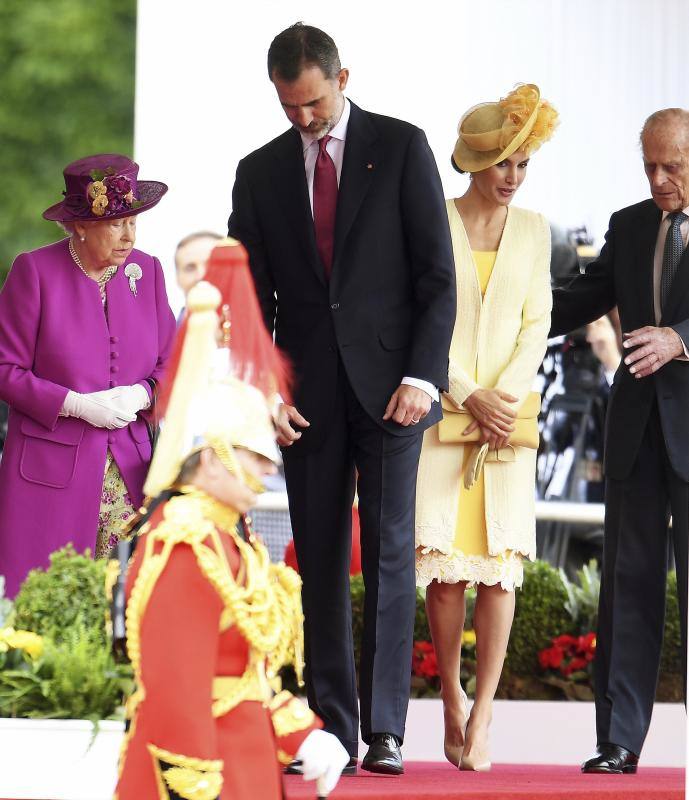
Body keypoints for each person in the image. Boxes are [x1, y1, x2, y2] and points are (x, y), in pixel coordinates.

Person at [227, 23, 456, 774]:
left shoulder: (400, 146)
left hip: (396, 391)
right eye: (289, 106)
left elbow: (434, 277)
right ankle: (331, 728)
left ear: (343, 77)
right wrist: (263, 382)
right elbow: (247, 295)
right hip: (307, 396)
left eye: (315, 102)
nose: (304, 119)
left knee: (388, 555)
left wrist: (423, 377)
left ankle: (386, 731)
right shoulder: (257, 171)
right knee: (317, 558)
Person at [115, 245, 349, 799]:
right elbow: (175, 686)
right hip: (204, 777)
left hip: (246, 769)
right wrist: (193, 786)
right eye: (253, 456)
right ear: (207, 452)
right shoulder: (185, 539)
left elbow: (246, 675)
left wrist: (303, 734)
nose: (266, 470)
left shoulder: (227, 537)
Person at [415, 84, 558, 771]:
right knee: (444, 576)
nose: (512, 177)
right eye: (502, 163)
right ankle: (448, 699)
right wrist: (466, 393)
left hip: (507, 422)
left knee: (499, 574)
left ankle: (484, 717)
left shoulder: (534, 230)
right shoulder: (430, 219)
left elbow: (538, 324)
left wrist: (501, 400)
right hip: (445, 412)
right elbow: (420, 320)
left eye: (522, 163)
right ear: (473, 163)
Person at [550, 107, 689, 774]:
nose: (659, 179)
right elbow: (580, 297)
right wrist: (504, 312)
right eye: (650, 167)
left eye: (673, 167)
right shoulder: (630, 225)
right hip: (635, 432)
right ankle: (617, 742)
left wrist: (680, 337)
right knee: (626, 589)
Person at [0, 154, 175, 597]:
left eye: (133, 221)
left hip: (131, 471)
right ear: (79, 224)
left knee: (126, 605)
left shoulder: (147, 271)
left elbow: (172, 362)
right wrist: (73, 404)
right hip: (49, 475)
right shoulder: (35, 271)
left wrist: (141, 393)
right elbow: (5, 369)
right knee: (50, 605)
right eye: (116, 223)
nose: (129, 235)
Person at [174, 230, 222, 315]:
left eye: (211, 265)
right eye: (190, 268)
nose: (201, 275)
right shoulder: (165, 328)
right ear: (178, 278)